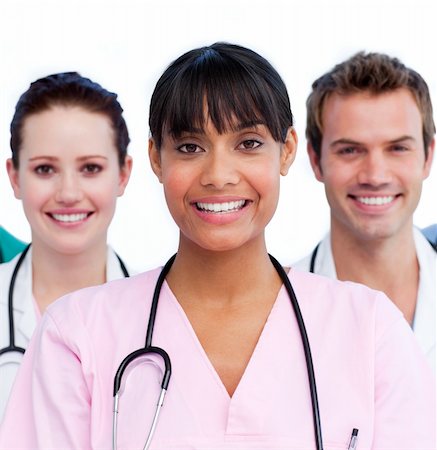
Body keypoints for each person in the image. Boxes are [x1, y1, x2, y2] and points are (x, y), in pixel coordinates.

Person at [0, 43, 434, 449]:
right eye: (190, 147)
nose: (218, 174)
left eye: (248, 144)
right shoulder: (75, 335)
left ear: (287, 152)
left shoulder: (372, 330)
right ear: (156, 158)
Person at [0, 72, 133, 421]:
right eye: (45, 169)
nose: (69, 193)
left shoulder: (163, 316)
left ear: (122, 174)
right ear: (14, 177)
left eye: (90, 168)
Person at [294, 52, 436, 370]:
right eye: (350, 150)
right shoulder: (277, 314)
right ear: (316, 161)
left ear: (428, 156)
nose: (375, 175)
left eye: (398, 148)